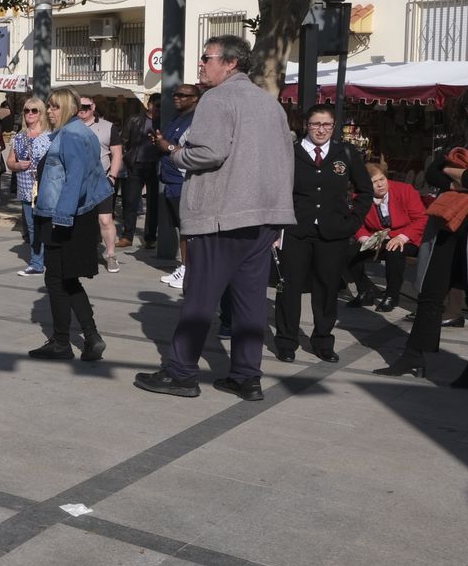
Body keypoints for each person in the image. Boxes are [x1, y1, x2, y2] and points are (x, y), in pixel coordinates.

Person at [136, 36, 295, 403]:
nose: (201, 64)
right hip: (263, 218)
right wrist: (280, 218)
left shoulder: (217, 98)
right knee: (250, 303)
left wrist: (175, 154)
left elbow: (208, 153)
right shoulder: (270, 105)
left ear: (230, 63)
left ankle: (180, 373)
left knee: (199, 298)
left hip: (221, 214)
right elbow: (285, 162)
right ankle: (246, 376)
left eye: (207, 58)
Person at [378, 84, 468, 385]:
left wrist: (451, 172)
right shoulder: (461, 138)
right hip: (448, 225)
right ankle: (413, 355)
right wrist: (457, 177)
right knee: (431, 292)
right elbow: (432, 173)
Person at [272, 104, 372, 364]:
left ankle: (323, 341)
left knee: (327, 288)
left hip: (333, 232)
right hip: (296, 229)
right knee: (289, 287)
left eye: (327, 125)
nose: (321, 130)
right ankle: (286, 341)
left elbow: (365, 190)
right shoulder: (289, 152)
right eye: (316, 124)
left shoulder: (345, 153)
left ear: (334, 126)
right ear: (306, 125)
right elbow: (274, 189)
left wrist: (352, 220)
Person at [26, 88, 112, 362]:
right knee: (67, 278)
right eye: (48, 107)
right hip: (71, 214)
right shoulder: (78, 133)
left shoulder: (72, 135)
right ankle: (91, 336)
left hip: (63, 216)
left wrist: (61, 219)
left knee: (55, 279)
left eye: (53, 107)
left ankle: (63, 342)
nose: (48, 112)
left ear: (66, 108)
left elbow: (74, 179)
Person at [346, 162, 426, 314]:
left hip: (408, 237)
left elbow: (421, 219)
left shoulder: (405, 190)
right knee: (349, 253)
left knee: (394, 251)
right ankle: (365, 290)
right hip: (378, 239)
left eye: (382, 179)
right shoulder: (361, 198)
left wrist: (402, 237)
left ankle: (391, 295)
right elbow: (357, 223)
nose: (380, 185)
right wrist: (366, 239)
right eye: (374, 182)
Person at [152, 84, 202, 289]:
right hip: (171, 181)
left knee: (188, 229)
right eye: (175, 94)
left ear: (195, 99)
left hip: (185, 181)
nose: (177, 98)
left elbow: (197, 152)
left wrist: (168, 146)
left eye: (183, 95)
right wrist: (160, 142)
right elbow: (168, 144)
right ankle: (185, 266)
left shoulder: (197, 121)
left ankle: (190, 270)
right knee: (181, 229)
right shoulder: (176, 118)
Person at [76, 95, 122, 272]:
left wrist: (112, 177)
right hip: (78, 180)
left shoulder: (108, 127)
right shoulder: (70, 126)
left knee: (105, 219)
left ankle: (111, 255)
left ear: (93, 107)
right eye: (79, 106)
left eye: (86, 106)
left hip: (102, 179)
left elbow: (117, 154)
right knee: (80, 220)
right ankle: (84, 252)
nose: (82, 109)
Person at [8, 97, 52, 276]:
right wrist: (16, 165)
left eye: (34, 110)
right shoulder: (19, 137)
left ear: (41, 113)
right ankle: (36, 263)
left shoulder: (51, 136)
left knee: (49, 224)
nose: (30, 114)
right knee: (32, 226)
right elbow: (10, 161)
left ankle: (52, 259)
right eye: (26, 110)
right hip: (26, 188)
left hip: (47, 188)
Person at [119, 93, 161, 250]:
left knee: (153, 204)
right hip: (135, 165)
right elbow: (124, 140)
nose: (158, 108)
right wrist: (126, 158)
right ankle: (127, 235)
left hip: (155, 166)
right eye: (156, 104)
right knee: (130, 201)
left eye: (161, 105)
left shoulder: (163, 121)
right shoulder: (134, 120)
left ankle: (150, 237)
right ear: (148, 104)